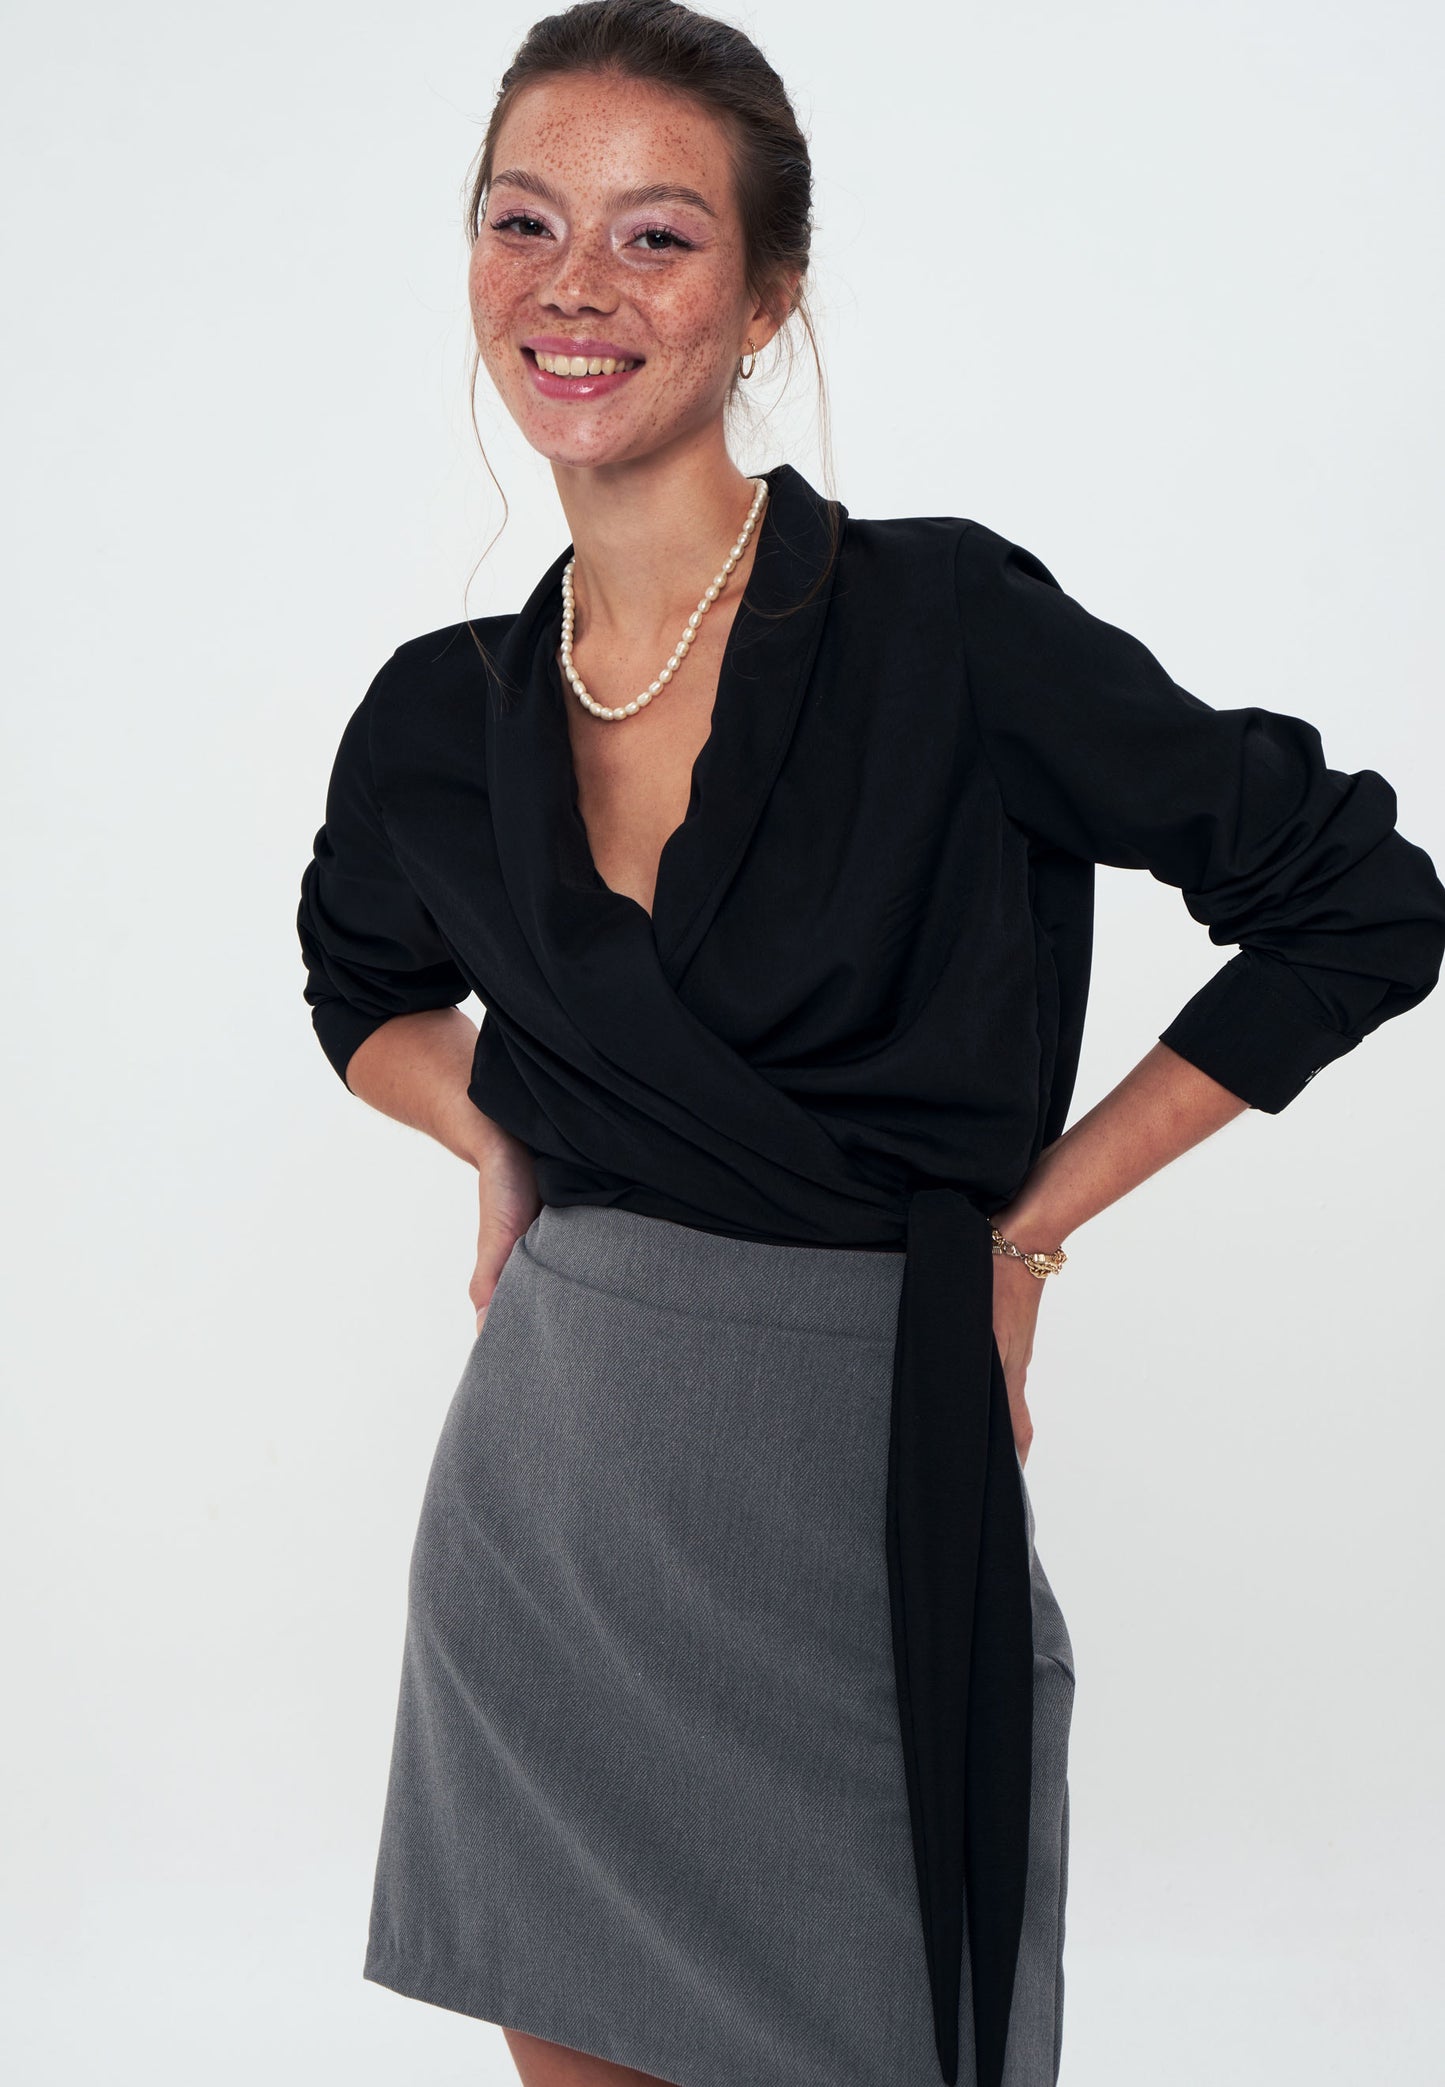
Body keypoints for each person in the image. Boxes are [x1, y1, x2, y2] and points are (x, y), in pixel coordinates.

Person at [294, 5, 1445, 2085]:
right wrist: (501, 1137)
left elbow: (1357, 903)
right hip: (551, 1516)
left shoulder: (942, 631)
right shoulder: (433, 716)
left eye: (656, 237)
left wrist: (1026, 1232)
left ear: (766, 297)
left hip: (864, 1483)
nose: (573, 284)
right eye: (524, 221)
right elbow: (357, 991)